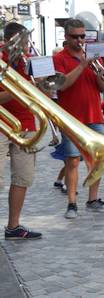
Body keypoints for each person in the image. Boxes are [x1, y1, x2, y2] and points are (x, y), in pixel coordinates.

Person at [53, 18, 104, 219]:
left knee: (98, 160)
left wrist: (99, 72)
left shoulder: (94, 57)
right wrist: (82, 65)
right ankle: (71, 204)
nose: (79, 40)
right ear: (66, 37)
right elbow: (62, 85)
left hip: (94, 115)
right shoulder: (59, 58)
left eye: (82, 36)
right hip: (71, 117)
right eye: (75, 37)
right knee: (72, 162)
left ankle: (93, 200)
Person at [1, 22, 42, 240]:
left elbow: (36, 95)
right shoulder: (1, 61)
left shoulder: (27, 63)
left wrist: (43, 85)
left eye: (27, 41)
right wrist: (18, 89)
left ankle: (13, 226)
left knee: (23, 177)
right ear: (9, 41)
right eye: (23, 42)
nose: (26, 46)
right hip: (2, 124)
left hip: (26, 124)